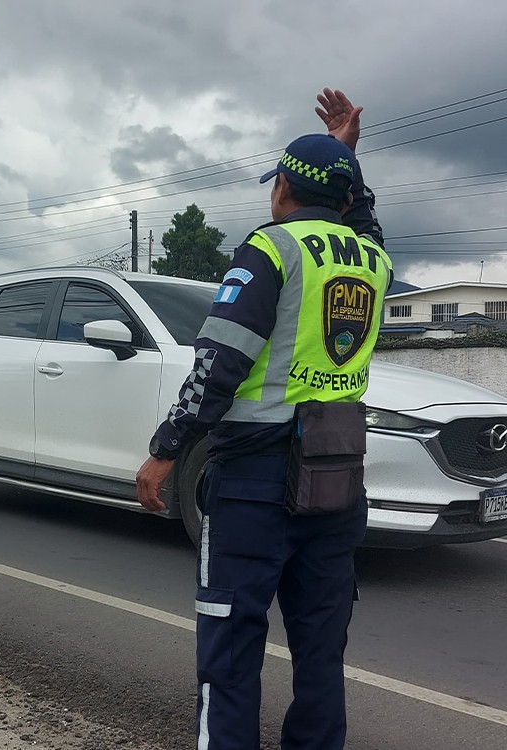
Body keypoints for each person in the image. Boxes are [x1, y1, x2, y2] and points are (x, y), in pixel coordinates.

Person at [136, 88, 392, 750]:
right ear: (343, 197)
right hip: (337, 479)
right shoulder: (375, 261)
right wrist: (346, 161)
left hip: (254, 481)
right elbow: (362, 224)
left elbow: (219, 362)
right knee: (320, 650)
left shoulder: (271, 249)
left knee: (230, 641)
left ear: (282, 187)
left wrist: (166, 449)